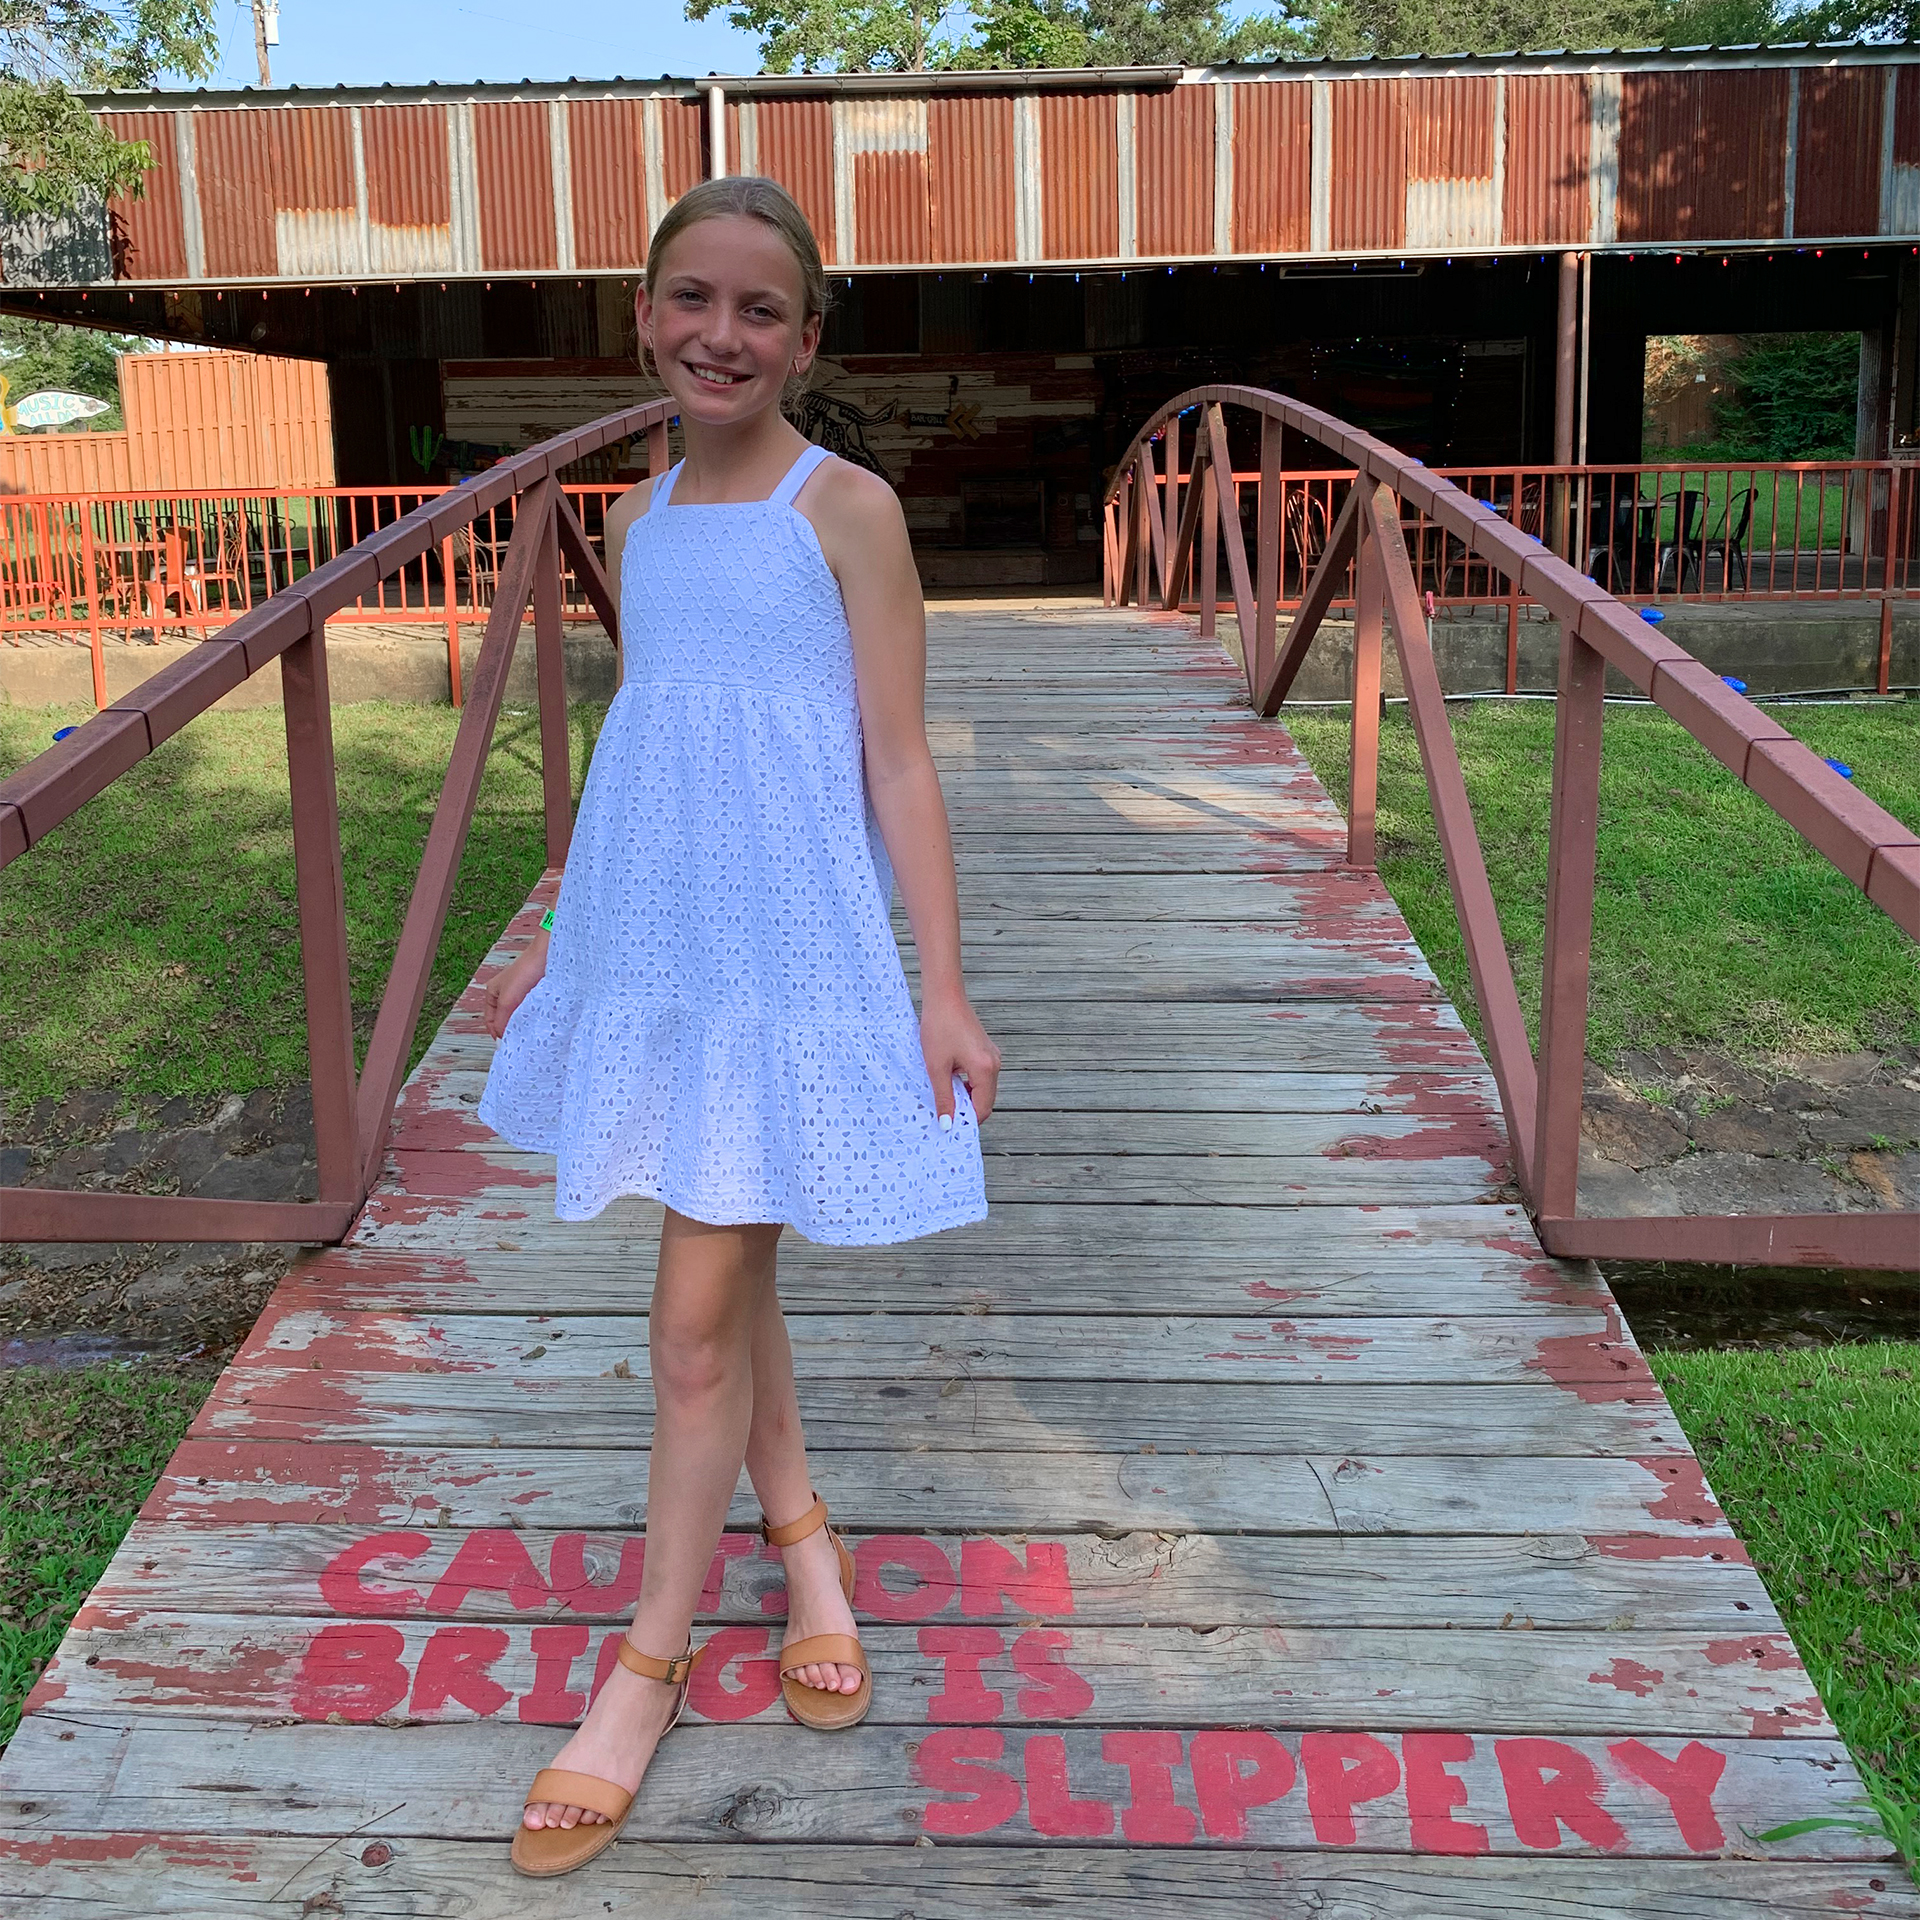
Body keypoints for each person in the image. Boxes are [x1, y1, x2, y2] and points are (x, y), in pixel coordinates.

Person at [477, 174, 999, 1880]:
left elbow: (894, 757)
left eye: (760, 310)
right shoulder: (633, 522)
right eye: (691, 300)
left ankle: (645, 1667)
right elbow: (666, 738)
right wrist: (586, 932)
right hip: (668, 950)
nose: (722, 334)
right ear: (643, 314)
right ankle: (806, 1540)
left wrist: (942, 982)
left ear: (806, 338)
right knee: (732, 1255)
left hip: (793, 959)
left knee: (693, 1317)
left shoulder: (843, 510)